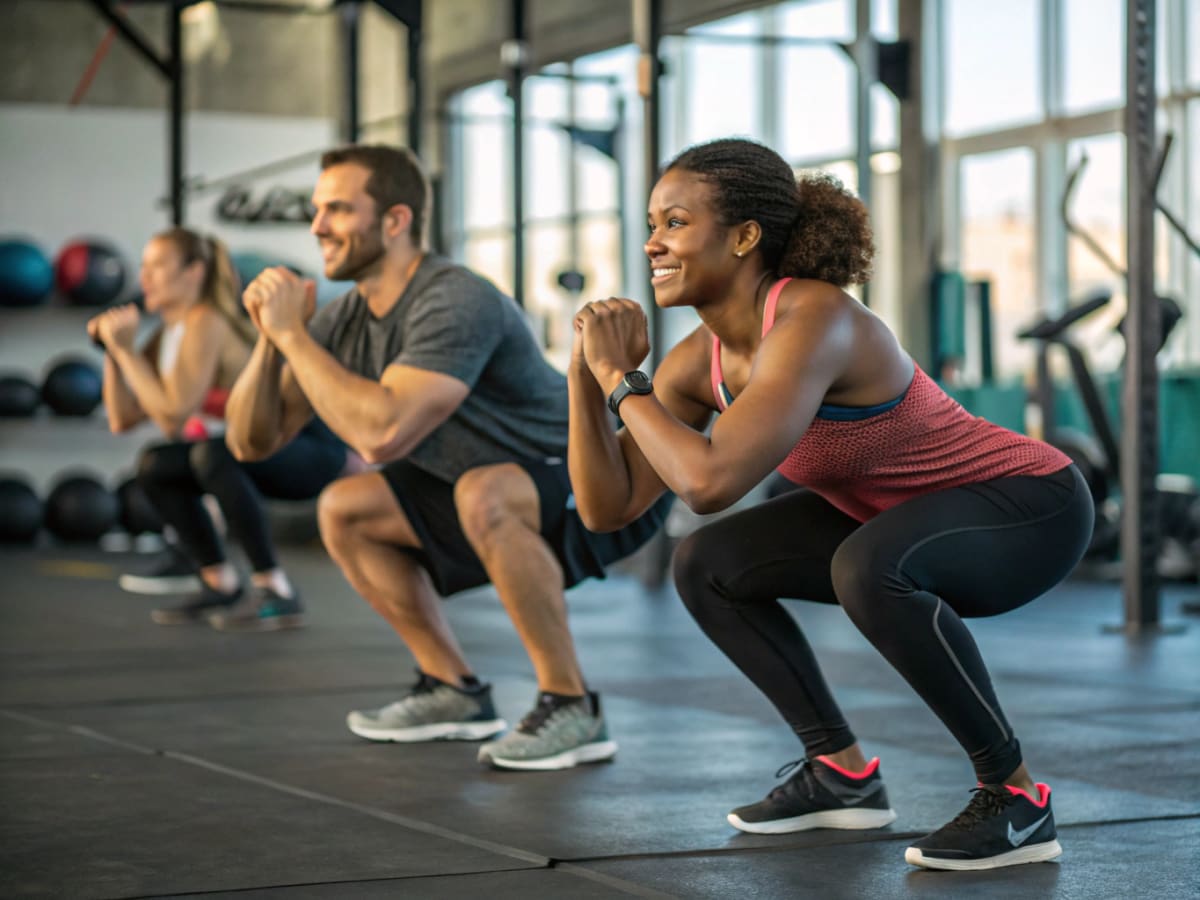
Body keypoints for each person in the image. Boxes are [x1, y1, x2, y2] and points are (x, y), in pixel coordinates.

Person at [568, 138, 1093, 871]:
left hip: (1028, 505)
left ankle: (1017, 798)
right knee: (708, 562)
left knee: (868, 566)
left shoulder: (816, 319)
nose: (652, 241)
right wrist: (587, 379)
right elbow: (608, 507)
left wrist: (624, 379)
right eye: (652, 222)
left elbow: (708, 483)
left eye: (676, 222)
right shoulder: (699, 361)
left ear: (746, 237)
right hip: (890, 518)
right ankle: (839, 773)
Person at [225, 144, 670, 771]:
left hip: (598, 479)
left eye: (337, 209)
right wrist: (272, 343)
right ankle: (451, 691)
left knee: (481, 492)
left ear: (395, 221)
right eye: (318, 210)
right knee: (346, 508)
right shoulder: (348, 319)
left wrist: (295, 335)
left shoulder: (454, 299)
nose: (318, 226)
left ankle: (572, 705)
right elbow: (251, 443)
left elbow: (383, 435)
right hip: (489, 486)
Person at [88, 227, 347, 630]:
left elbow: (173, 415)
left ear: (193, 273)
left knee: (212, 453)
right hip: (248, 450)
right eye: (144, 267)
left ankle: (275, 588)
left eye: (157, 266)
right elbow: (123, 419)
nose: (144, 278)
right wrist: (112, 351)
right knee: (156, 463)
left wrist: (125, 351)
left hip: (308, 451)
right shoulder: (166, 335)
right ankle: (219, 581)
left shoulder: (206, 321)